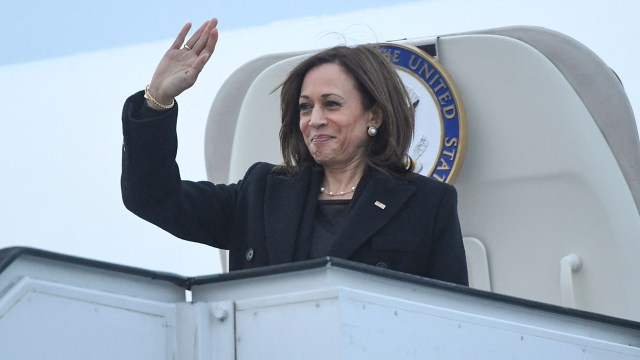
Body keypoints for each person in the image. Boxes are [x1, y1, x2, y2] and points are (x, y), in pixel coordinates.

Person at [121, 18, 468, 285]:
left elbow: (455, 322)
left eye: (331, 104)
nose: (314, 120)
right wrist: (158, 100)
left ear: (374, 115)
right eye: (305, 107)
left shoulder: (428, 203)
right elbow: (152, 197)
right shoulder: (262, 190)